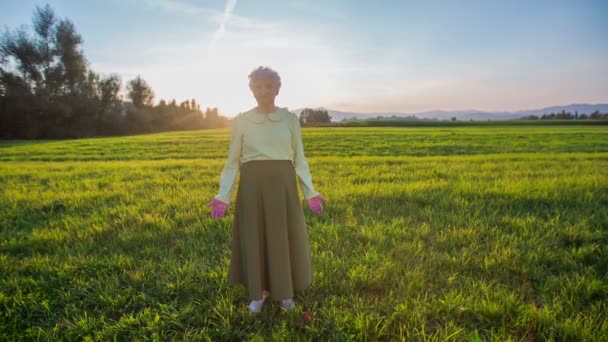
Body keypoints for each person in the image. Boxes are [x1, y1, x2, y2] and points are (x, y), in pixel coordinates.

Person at [207, 66, 326, 313]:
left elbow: (300, 159)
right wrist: (223, 195)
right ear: (252, 90)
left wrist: (310, 192)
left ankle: (284, 293)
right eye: (258, 86)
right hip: (252, 186)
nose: (263, 91)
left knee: (282, 237)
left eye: (268, 86)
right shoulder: (241, 121)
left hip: (283, 186)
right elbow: (232, 161)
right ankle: (258, 293)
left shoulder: (290, 120)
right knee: (255, 236)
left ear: (277, 89)